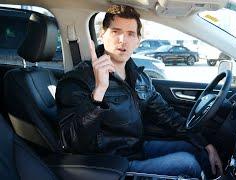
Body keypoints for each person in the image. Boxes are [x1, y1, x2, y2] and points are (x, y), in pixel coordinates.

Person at [55, 4, 222, 179]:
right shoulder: (77, 80)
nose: (122, 40)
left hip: (136, 149)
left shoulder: (140, 79)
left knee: (195, 149)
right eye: (115, 31)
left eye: (130, 34)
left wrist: (205, 143)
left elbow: (168, 117)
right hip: (112, 164)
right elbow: (72, 143)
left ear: (138, 40)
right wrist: (99, 91)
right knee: (187, 162)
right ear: (102, 35)